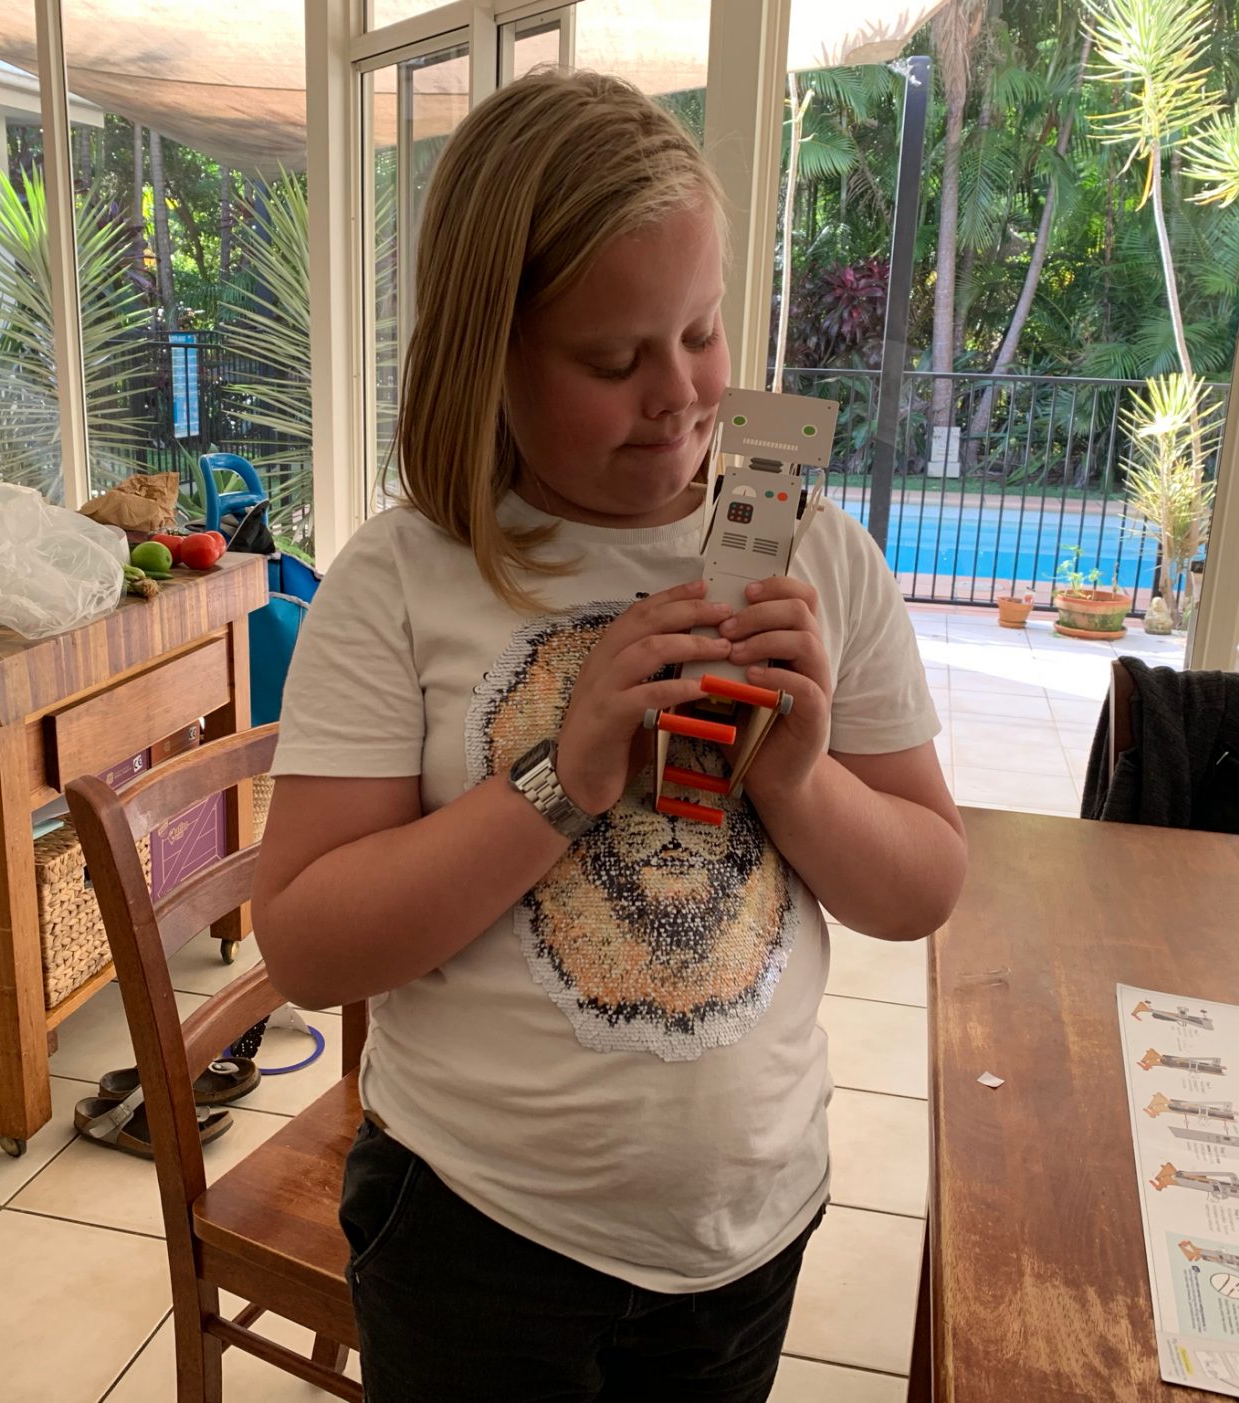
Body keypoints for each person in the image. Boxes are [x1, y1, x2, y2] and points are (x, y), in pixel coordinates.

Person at [252, 67, 966, 1403]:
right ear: (492, 355)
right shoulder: (401, 576)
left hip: (747, 1228)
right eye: (611, 359)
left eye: (701, 331)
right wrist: (559, 778)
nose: (680, 394)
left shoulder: (820, 557)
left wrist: (799, 782)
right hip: (473, 1230)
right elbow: (304, 945)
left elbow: (923, 886)